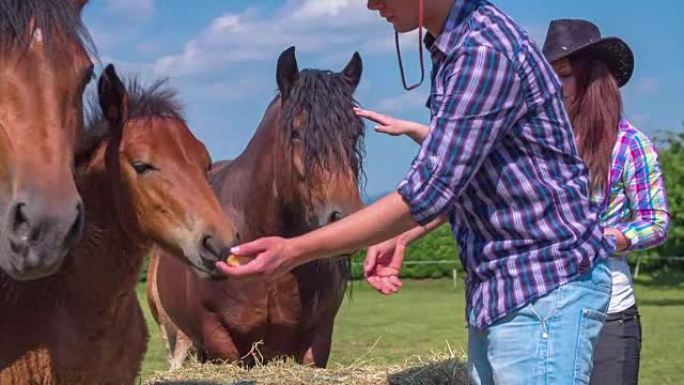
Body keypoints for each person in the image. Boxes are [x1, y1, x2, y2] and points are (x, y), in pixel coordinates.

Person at [219, 1, 615, 384]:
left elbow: (427, 192)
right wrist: (402, 234)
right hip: (509, 289)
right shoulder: (459, 48)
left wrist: (294, 250)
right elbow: (470, 176)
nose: (373, 6)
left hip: (540, 286)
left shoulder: (482, 52)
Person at [542, 19, 670, 385]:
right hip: (547, 312)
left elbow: (655, 220)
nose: (554, 86)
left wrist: (608, 238)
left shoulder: (631, 146)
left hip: (609, 313)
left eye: (563, 76)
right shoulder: (541, 144)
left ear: (592, 80)